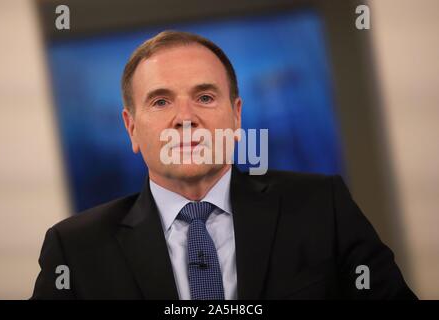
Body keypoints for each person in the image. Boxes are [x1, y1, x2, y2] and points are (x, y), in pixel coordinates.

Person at [31, 31, 416, 300]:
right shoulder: (76, 249)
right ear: (131, 128)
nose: (185, 118)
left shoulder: (322, 208)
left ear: (236, 117)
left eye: (204, 96)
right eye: (161, 101)